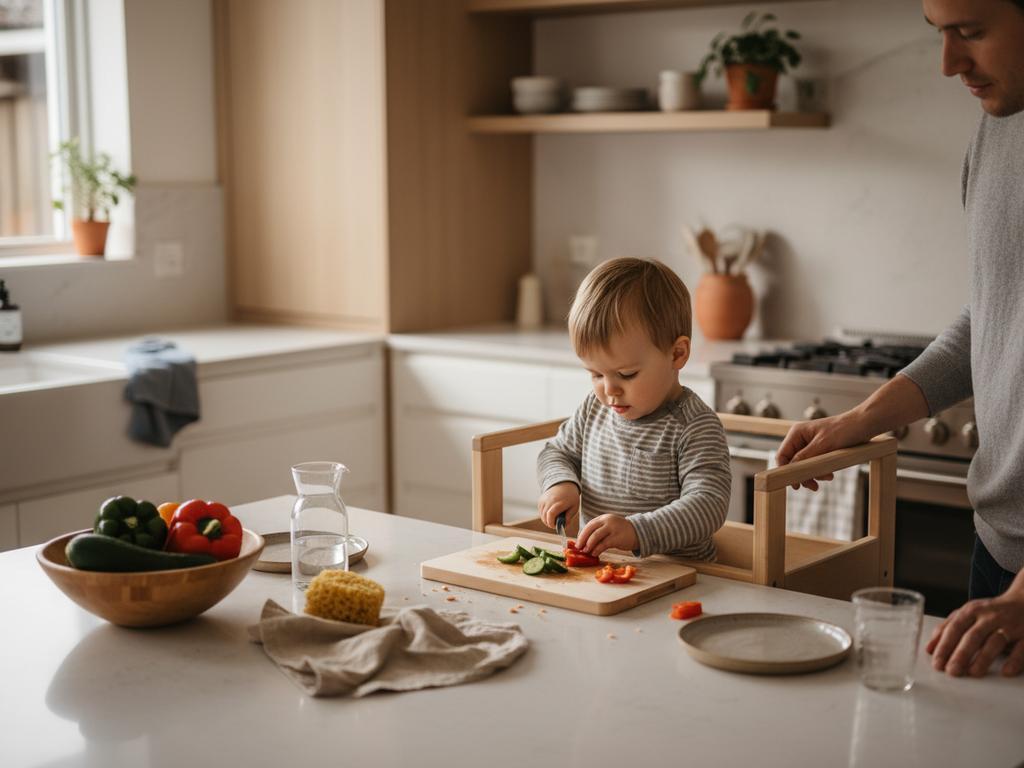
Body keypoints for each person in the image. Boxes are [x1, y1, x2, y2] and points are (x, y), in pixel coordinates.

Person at [776, 0, 1024, 679]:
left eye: (971, 32)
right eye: (939, 34)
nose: (949, 64)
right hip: (998, 546)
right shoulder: (997, 130)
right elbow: (993, 316)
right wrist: (860, 420)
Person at [536, 257, 731, 560]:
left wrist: (637, 531)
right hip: (602, 571)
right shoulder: (593, 409)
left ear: (677, 354)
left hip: (682, 577)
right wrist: (561, 483)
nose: (609, 390)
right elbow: (556, 452)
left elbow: (708, 504)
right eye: (596, 374)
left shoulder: (694, 425)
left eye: (626, 374)